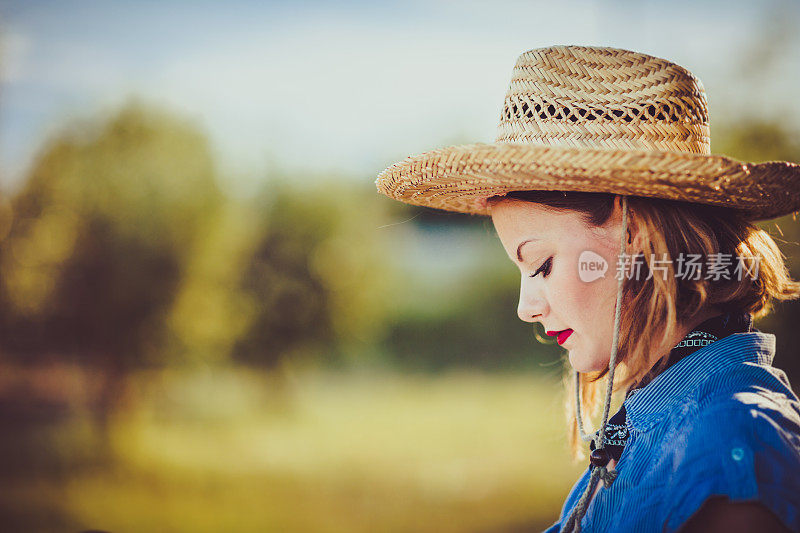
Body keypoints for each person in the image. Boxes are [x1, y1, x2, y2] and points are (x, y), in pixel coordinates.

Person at [375, 45, 800, 532]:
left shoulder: (727, 448)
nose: (525, 308)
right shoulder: (654, 426)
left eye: (541, 265)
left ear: (633, 232)